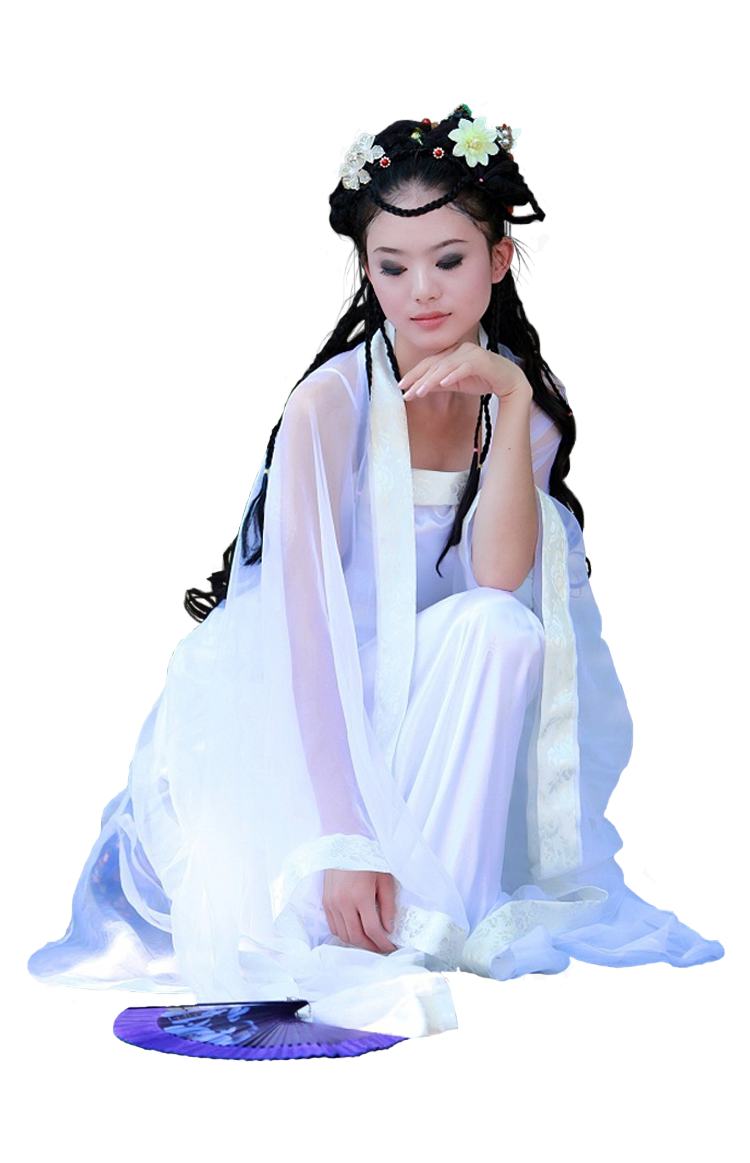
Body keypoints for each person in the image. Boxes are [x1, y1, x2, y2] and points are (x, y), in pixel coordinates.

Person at [26, 105, 725, 1040]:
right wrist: (343, 836)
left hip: (435, 698)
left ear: (498, 261)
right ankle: (373, 911)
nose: (420, 291)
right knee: (306, 885)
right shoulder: (329, 403)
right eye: (392, 267)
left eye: (449, 260)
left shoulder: (529, 399)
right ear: (366, 270)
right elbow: (307, 635)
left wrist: (511, 397)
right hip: (310, 709)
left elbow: (497, 577)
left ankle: (433, 923)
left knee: (503, 628)